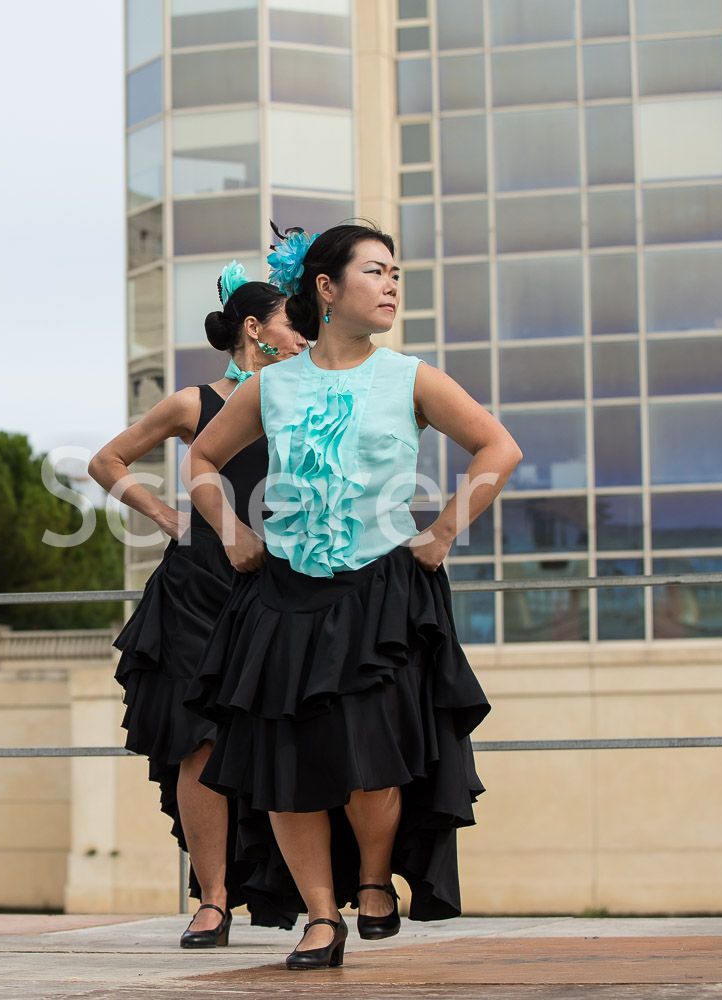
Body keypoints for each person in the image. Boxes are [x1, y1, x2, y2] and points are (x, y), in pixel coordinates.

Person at [184, 223, 520, 970]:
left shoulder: (411, 377)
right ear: (326, 288)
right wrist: (232, 531)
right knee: (283, 762)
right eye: (375, 271)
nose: (392, 284)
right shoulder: (272, 385)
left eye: (396, 272)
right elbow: (202, 457)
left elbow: (499, 447)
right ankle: (319, 914)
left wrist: (443, 533)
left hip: (377, 595)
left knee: (371, 758)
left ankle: (373, 877)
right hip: (282, 597)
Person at [90, 261, 306, 947]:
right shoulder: (193, 404)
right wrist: (167, 516)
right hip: (199, 586)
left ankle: (317, 899)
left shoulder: (310, 396)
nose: (304, 335)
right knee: (198, 742)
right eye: (292, 323)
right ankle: (212, 902)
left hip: (285, 581)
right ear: (255, 328)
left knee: (286, 734)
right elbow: (106, 461)